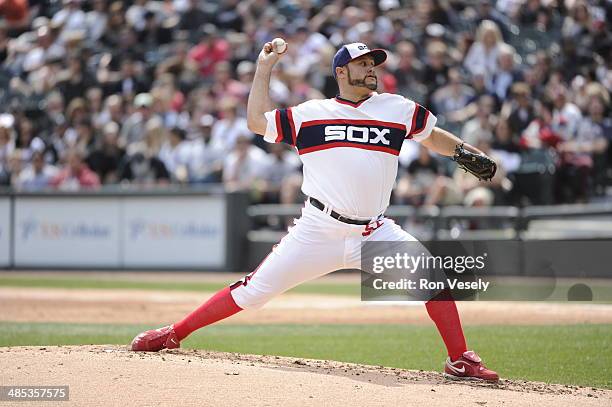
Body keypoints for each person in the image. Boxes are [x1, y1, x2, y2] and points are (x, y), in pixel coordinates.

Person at [130, 41, 499, 382]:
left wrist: (464, 151)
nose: (371, 69)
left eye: (373, 63)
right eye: (362, 64)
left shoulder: (397, 107)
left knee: (434, 279)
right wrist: (264, 69)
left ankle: (459, 359)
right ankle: (174, 334)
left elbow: (430, 134)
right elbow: (258, 122)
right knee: (253, 291)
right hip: (318, 229)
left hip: (375, 232)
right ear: (341, 72)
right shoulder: (311, 114)